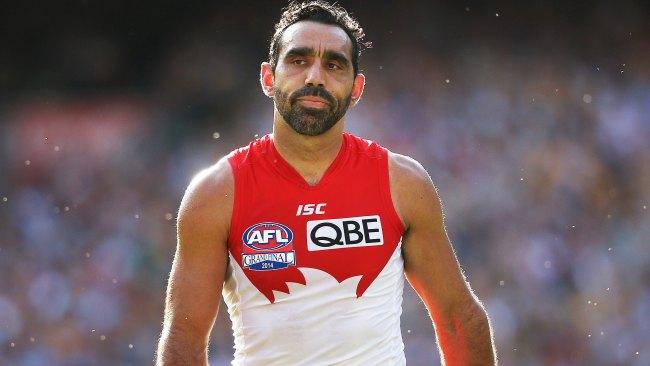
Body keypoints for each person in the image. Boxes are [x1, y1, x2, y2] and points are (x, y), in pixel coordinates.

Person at [155, 1, 496, 365]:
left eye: (334, 65)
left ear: (356, 88)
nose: (315, 77)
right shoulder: (216, 193)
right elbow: (183, 341)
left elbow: (460, 321)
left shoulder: (402, 183)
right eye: (299, 60)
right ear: (268, 78)